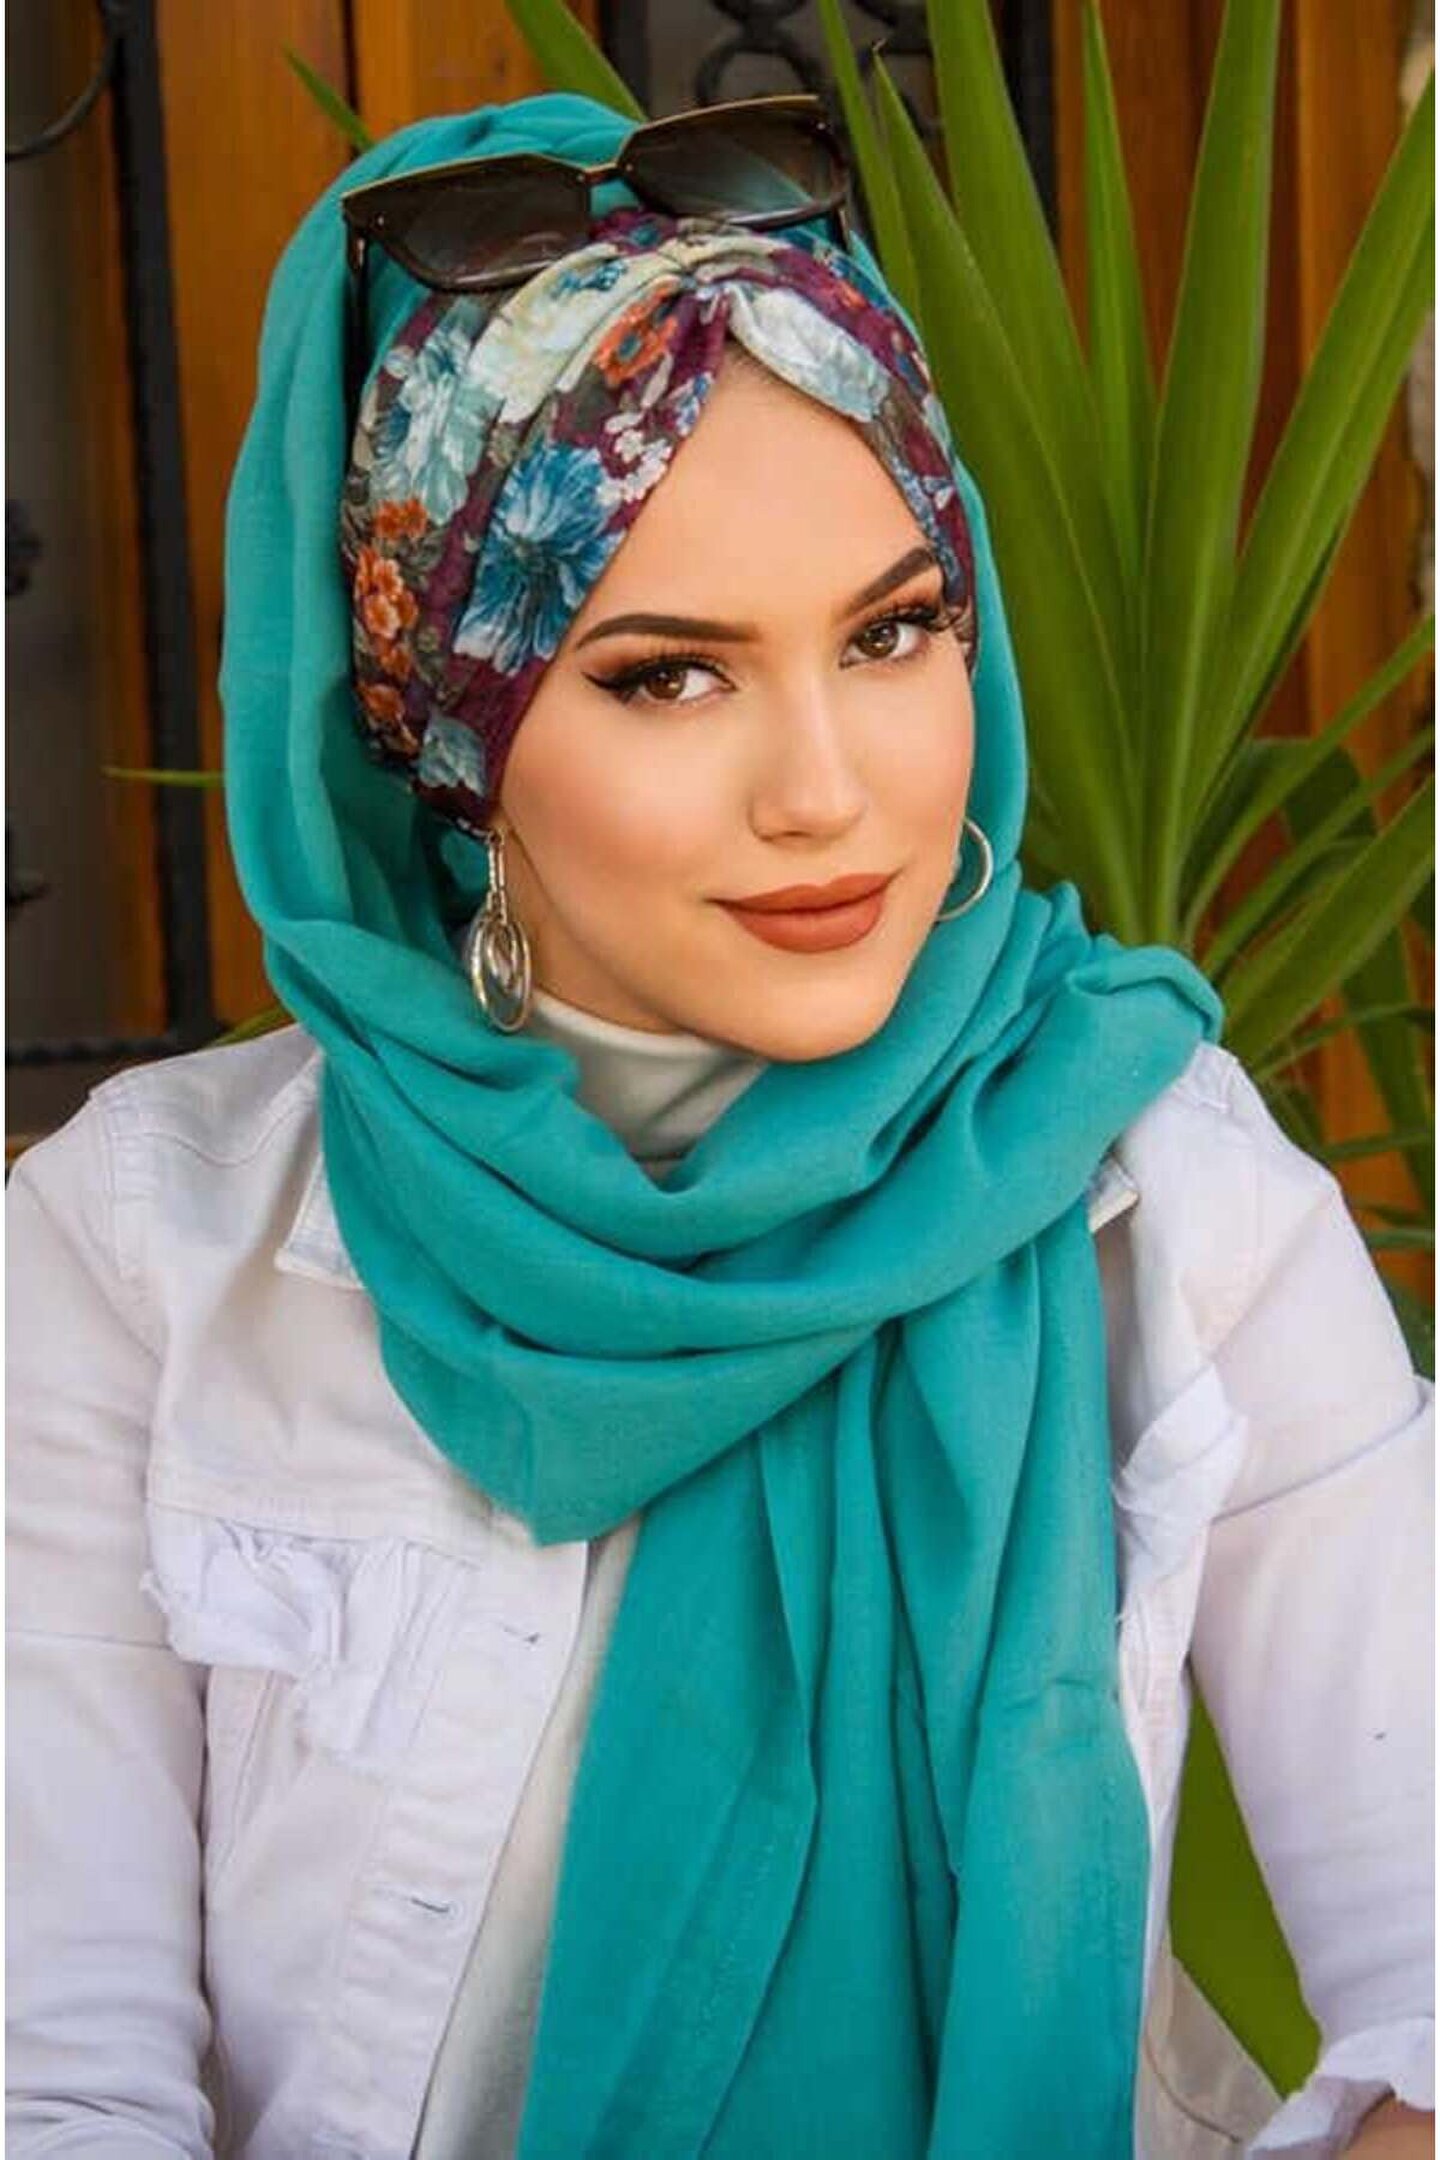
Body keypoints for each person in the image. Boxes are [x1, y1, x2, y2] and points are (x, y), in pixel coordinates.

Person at [6, 88, 1433, 2160]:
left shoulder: (1163, 1190)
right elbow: (50, 2082)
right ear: (457, 741)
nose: (828, 792)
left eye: (892, 633)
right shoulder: (148, 1250)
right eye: (670, 677)